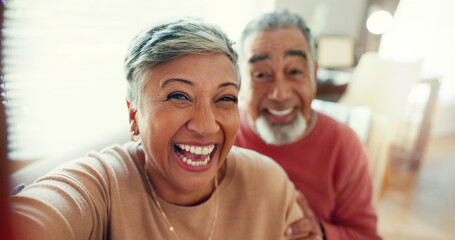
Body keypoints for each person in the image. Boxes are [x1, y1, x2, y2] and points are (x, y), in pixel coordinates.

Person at [9, 18, 304, 239]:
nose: (205, 125)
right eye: (178, 96)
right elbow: (36, 215)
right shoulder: (102, 186)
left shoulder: (268, 182)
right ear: (134, 117)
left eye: (225, 98)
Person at [235, 10, 382, 239]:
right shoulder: (222, 134)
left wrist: (322, 233)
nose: (280, 94)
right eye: (261, 75)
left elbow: (365, 234)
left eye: (295, 71)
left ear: (314, 74)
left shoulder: (342, 143)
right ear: (241, 82)